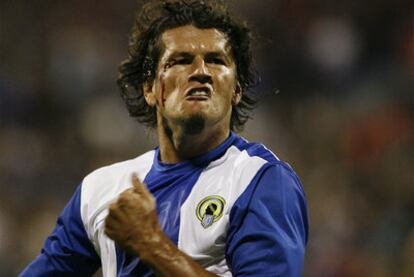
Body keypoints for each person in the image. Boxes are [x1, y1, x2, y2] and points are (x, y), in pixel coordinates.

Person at [21, 0, 308, 276]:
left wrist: (151, 244)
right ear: (150, 89)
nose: (201, 72)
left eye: (216, 61)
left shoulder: (261, 181)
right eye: (181, 61)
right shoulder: (100, 192)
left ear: (236, 90)